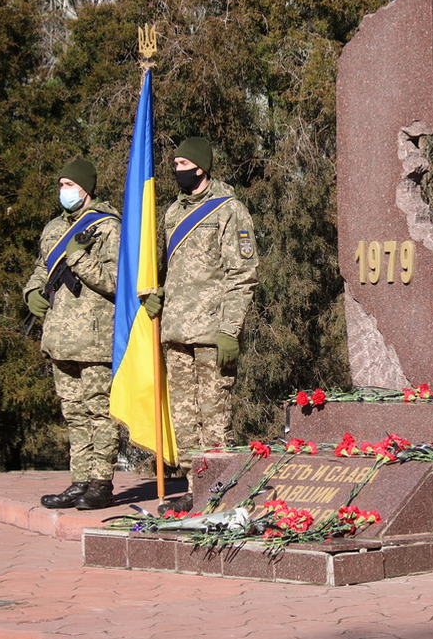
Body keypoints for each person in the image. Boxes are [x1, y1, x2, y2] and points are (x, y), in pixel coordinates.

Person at [144, 137, 258, 515]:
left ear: (200, 167)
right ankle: (195, 489)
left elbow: (241, 276)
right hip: (176, 330)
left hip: (211, 333)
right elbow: (167, 268)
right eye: (174, 163)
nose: (177, 170)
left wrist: (230, 330)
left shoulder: (229, 211)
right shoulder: (172, 213)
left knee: (215, 417)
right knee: (185, 419)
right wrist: (155, 295)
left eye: (182, 163)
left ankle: (218, 490)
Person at [24, 158, 122, 510]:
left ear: (86, 188)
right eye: (61, 184)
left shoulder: (108, 227)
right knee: (74, 414)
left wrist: (80, 261)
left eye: (69, 185)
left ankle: (101, 483)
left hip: (95, 340)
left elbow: (116, 281)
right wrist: (31, 291)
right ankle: (79, 481)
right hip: (59, 338)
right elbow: (42, 268)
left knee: (101, 412)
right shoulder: (53, 228)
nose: (63, 191)